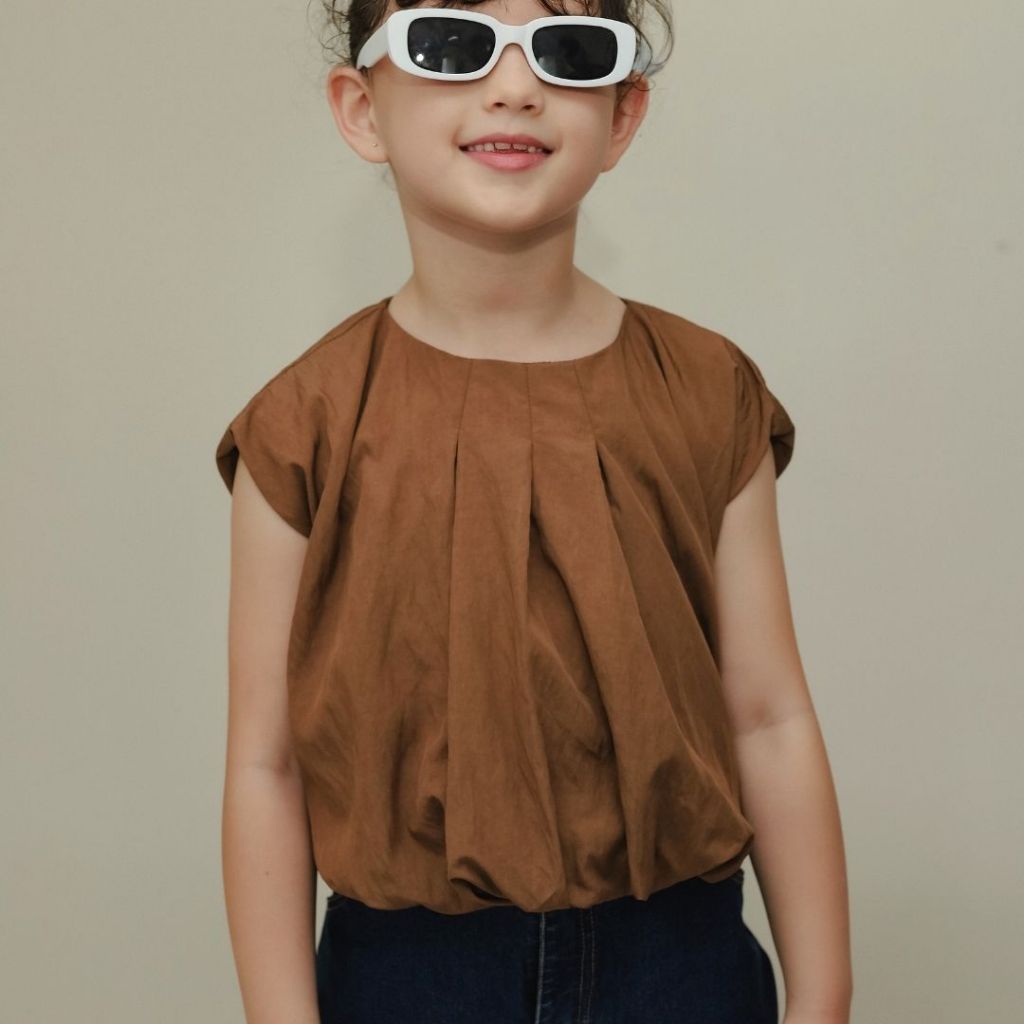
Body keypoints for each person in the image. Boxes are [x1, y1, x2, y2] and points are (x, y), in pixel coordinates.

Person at [214, 1, 853, 1022]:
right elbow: (266, 762)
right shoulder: (305, 427)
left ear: (622, 116)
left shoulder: (707, 392)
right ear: (362, 109)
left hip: (681, 967)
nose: (514, 86)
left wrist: (823, 997)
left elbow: (768, 716)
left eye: (567, 53)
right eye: (451, 45)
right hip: (404, 977)